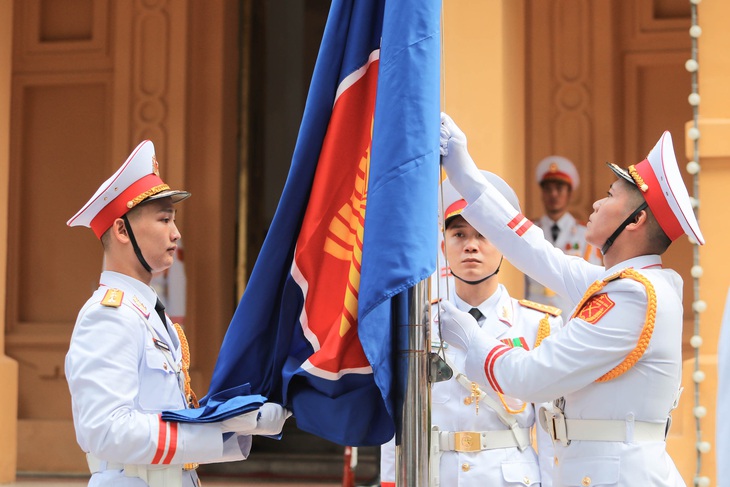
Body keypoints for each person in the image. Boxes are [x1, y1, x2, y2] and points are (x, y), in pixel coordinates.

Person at [437, 112, 703, 486]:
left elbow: (529, 378)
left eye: (609, 196)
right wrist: (463, 167)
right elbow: (535, 251)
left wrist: (469, 336)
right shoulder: (627, 285)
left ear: (636, 221)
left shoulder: (633, 296)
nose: (595, 204)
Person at [65, 140, 290, 487]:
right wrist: (212, 431)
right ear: (122, 230)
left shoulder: (150, 314)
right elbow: (105, 429)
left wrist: (235, 422)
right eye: (164, 219)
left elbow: (164, 413)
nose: (176, 233)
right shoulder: (108, 316)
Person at [380, 173, 561, 487]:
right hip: (437, 476)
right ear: (444, 245)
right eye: (459, 235)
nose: (471, 247)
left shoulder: (538, 326)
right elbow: (398, 418)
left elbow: (551, 429)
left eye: (483, 235)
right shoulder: (417, 324)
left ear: (505, 246)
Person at [525, 156, 602, 316]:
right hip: (533, 313)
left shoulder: (586, 233)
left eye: (559, 188)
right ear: (542, 193)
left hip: (571, 316)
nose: (553, 194)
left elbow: (593, 283)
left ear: (569, 193)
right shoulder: (529, 230)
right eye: (548, 189)